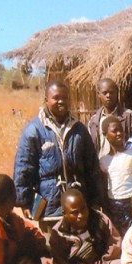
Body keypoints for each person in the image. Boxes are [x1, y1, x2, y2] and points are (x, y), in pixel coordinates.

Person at [14, 80, 105, 222]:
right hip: (50, 209)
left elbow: (92, 166)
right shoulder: (34, 130)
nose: (61, 101)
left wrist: (96, 199)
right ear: (46, 100)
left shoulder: (79, 129)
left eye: (64, 98)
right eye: (56, 98)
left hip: (78, 208)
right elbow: (23, 167)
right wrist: (24, 201)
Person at [99, 115, 132, 236]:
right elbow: (104, 187)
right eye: (114, 131)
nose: (119, 133)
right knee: (121, 234)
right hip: (116, 204)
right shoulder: (104, 161)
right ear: (105, 135)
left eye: (120, 130)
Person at [87, 78, 132, 158]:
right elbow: (90, 149)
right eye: (105, 93)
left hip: (124, 163)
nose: (108, 95)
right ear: (98, 94)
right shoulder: (93, 121)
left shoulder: (128, 116)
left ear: (117, 93)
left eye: (111, 92)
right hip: (102, 164)